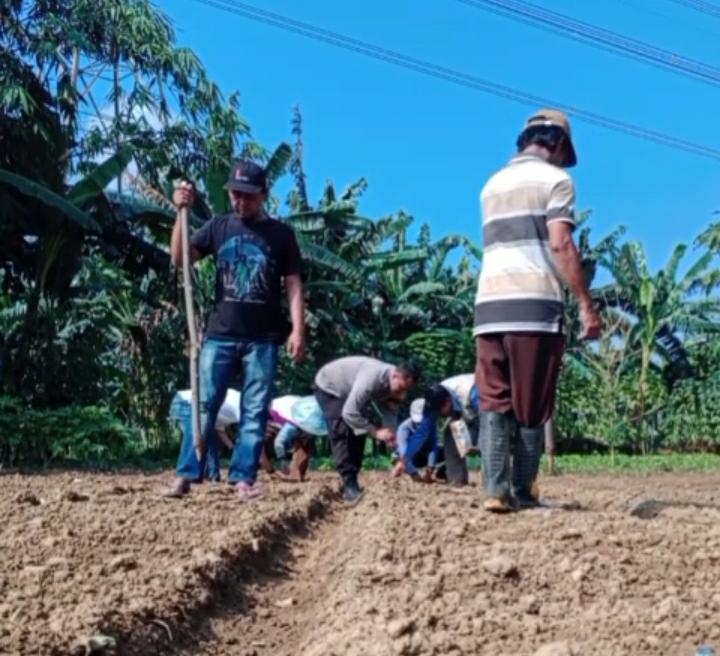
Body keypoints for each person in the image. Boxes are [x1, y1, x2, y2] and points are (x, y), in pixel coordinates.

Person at [474, 108, 601, 512]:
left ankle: (494, 490)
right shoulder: (556, 181)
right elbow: (560, 244)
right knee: (532, 404)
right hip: (533, 306)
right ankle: (525, 493)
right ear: (558, 143)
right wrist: (585, 304)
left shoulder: (492, 184)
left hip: (488, 308)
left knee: (494, 399)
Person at [165, 160, 305, 501]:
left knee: (254, 410)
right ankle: (186, 473)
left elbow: (293, 283)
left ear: (263, 195)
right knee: (204, 404)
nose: (240, 201)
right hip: (220, 334)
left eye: (248, 196)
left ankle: (243, 478)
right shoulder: (218, 227)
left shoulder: (281, 235)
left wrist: (297, 329)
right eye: (235, 195)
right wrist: (180, 213)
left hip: (263, 339)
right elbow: (180, 258)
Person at [314, 356, 420, 503]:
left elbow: (390, 412)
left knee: (360, 431)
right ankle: (349, 484)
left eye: (406, 391)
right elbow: (349, 412)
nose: (402, 394)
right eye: (401, 389)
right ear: (395, 375)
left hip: (350, 391)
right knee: (343, 430)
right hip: (330, 387)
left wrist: (393, 440)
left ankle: (353, 480)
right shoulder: (371, 379)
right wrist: (375, 432)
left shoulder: (394, 385)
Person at [169, 388, 241, 482]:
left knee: (211, 440)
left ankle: (211, 476)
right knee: (198, 438)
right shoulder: (239, 405)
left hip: (199, 407)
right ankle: (190, 475)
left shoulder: (229, 410)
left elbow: (220, 431)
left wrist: (233, 449)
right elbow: (249, 436)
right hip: (184, 403)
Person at [391, 384, 454, 482]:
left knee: (448, 451)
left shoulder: (430, 425)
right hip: (407, 458)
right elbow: (403, 453)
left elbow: (433, 447)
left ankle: (441, 473)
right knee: (399, 457)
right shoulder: (403, 429)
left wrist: (430, 469)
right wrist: (414, 473)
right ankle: (405, 470)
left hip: (423, 455)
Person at [267, 394, 327, 482]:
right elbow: (279, 443)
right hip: (286, 415)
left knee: (305, 444)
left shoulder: (308, 416)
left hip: (299, 411)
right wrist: (283, 460)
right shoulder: (291, 424)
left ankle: (296, 474)